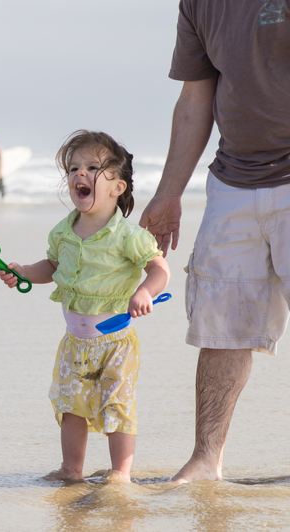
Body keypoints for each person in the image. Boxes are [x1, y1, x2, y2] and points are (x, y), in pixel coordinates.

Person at [139, 1, 290, 484]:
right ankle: (206, 460)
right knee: (219, 326)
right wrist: (168, 193)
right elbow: (195, 97)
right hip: (232, 181)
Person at [0, 130, 170, 482]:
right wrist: (24, 272)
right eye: (73, 168)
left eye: (92, 167)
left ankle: (120, 473)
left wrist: (144, 292)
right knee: (70, 406)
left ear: (117, 187)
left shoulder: (128, 235)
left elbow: (159, 269)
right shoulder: (62, 232)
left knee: (117, 405)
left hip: (116, 343)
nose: (79, 173)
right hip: (74, 343)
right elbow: (52, 267)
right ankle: (71, 468)